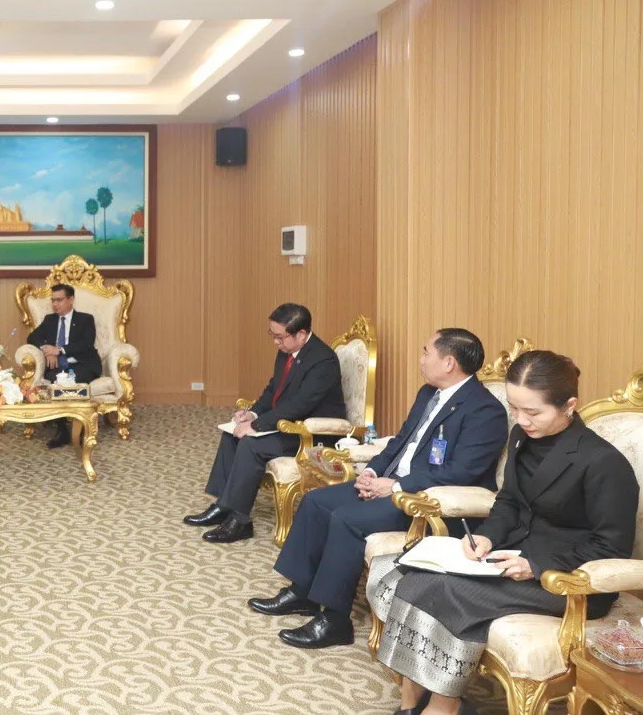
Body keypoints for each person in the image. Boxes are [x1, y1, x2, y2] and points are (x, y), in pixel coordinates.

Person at [367, 350, 638, 715]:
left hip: (566, 579)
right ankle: (411, 698)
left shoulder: (603, 463)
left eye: (533, 412)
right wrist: (488, 537)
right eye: (515, 408)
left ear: (569, 406)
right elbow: (509, 500)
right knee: (403, 570)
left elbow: (611, 547)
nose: (521, 420)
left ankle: (446, 705)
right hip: (509, 555)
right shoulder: (522, 437)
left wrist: (535, 564)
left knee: (449, 591)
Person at [249, 328, 509, 649]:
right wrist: (372, 471)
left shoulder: (484, 410)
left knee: (347, 519)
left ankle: (334, 620)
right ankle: (302, 591)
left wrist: (396, 486)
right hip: (390, 481)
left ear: (448, 363)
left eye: (426, 352)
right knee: (316, 501)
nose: (421, 359)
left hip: (425, 500)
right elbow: (400, 442)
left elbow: (462, 471)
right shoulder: (428, 393)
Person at [184, 303, 347, 542]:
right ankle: (223, 506)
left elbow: (300, 405)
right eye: (272, 335)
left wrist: (256, 427)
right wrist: (253, 414)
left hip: (312, 433)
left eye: (280, 337)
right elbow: (274, 389)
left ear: (301, 334)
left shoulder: (323, 361)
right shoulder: (287, 350)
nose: (276, 342)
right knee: (231, 434)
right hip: (288, 424)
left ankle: (240, 522)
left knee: (252, 444)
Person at [26, 283, 102, 448]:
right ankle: (62, 430)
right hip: (58, 367)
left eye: (59, 300)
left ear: (71, 299)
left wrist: (59, 350)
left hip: (82, 364)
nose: (55, 304)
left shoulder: (85, 319)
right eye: (53, 300)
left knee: (74, 382)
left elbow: (86, 344)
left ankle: (80, 426)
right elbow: (32, 338)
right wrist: (47, 350)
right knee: (55, 382)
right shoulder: (50, 320)